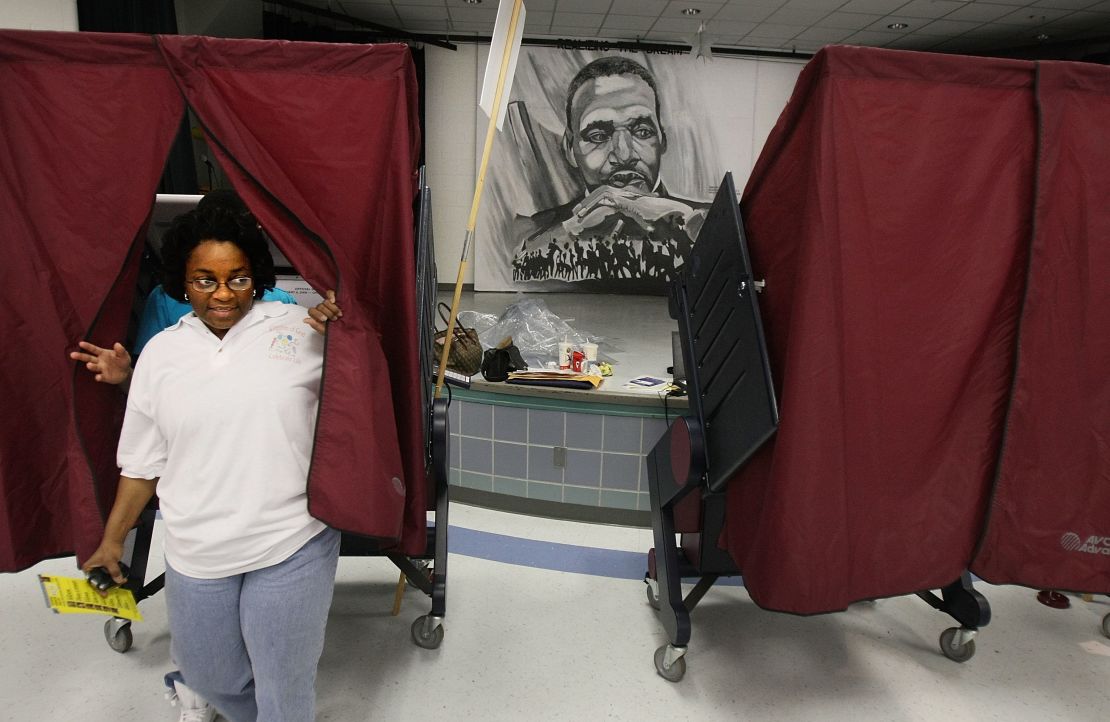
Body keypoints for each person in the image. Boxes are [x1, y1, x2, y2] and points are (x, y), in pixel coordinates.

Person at [78, 198, 344, 722]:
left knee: (283, 688)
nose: (223, 294)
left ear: (257, 277)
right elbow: (141, 463)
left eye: (237, 278)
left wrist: (346, 331)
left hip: (290, 538)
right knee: (210, 677)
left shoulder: (301, 332)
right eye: (205, 280)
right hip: (196, 549)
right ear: (183, 281)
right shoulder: (160, 355)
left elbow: (364, 398)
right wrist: (112, 542)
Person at [513, 56, 709, 286]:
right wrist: (572, 228)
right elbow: (515, 268)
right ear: (569, 148)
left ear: (662, 139)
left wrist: (683, 219)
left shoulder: (703, 221)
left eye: (643, 132)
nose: (624, 154)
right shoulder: (536, 229)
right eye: (598, 136)